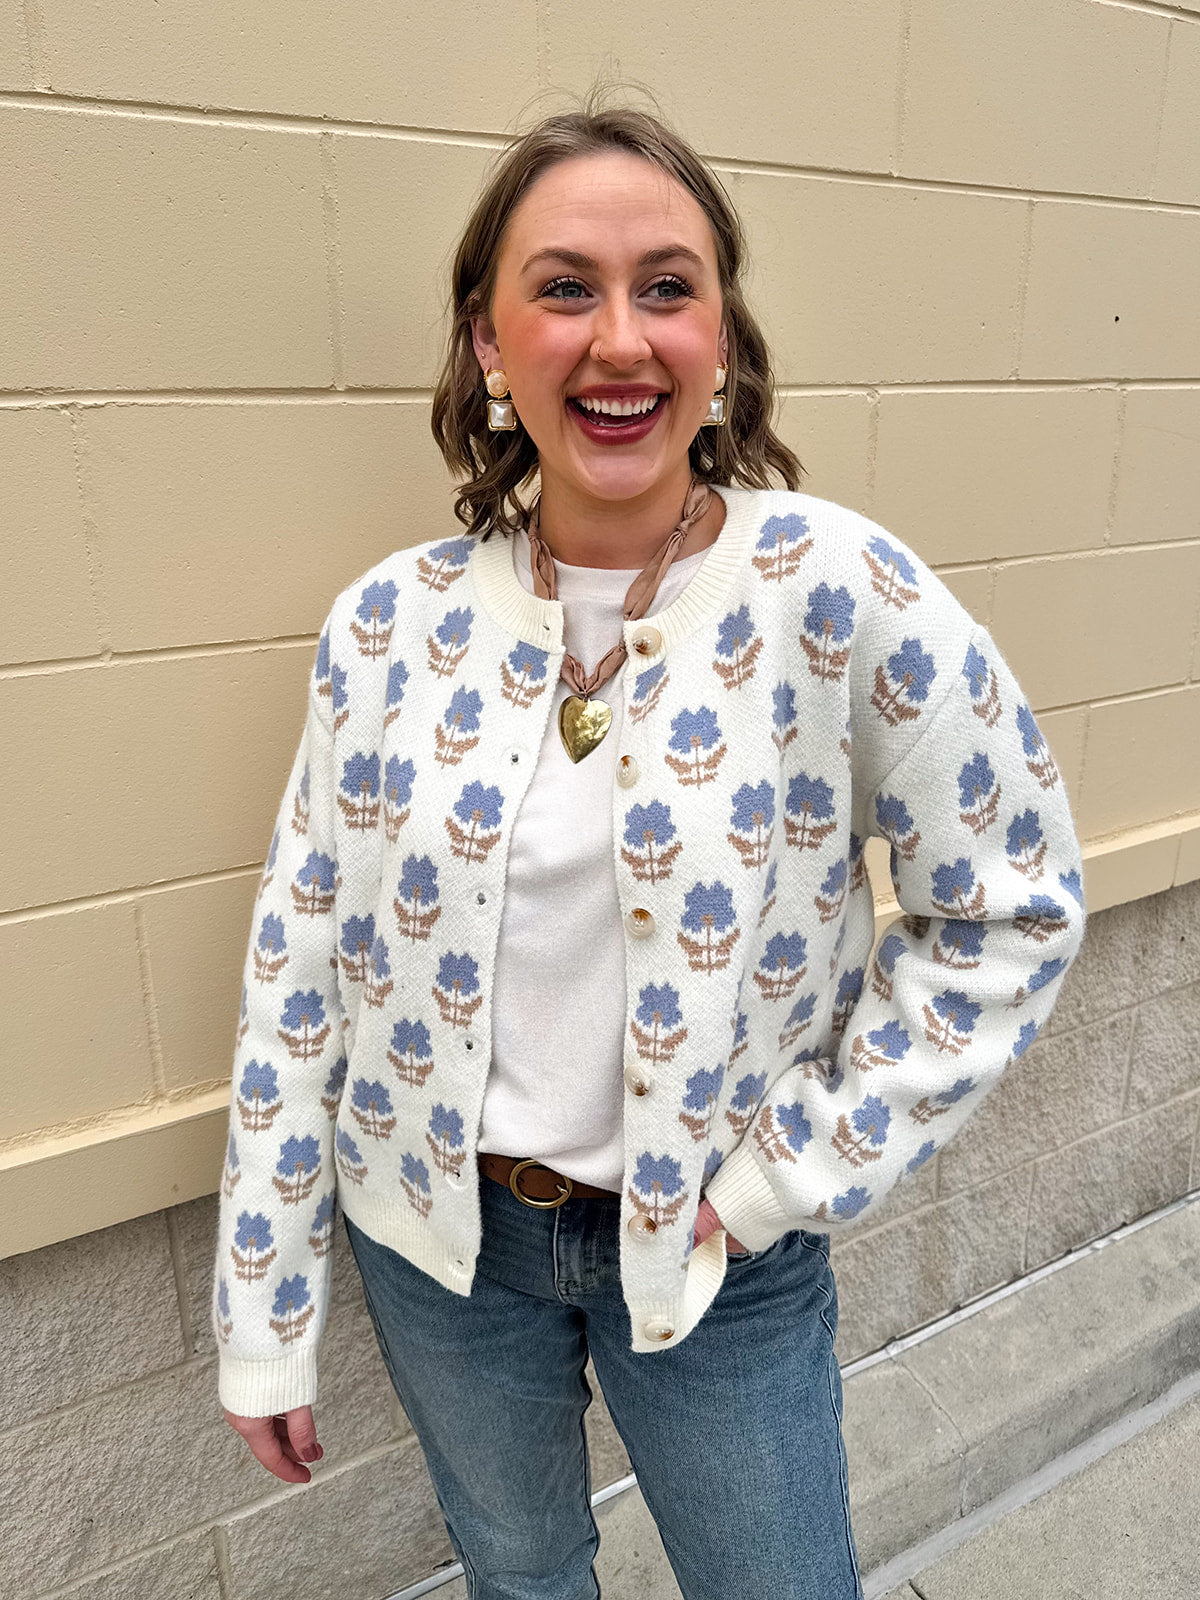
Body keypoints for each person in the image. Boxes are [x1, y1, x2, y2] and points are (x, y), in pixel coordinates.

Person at [213, 89, 1087, 1600]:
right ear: (489, 344)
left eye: (666, 288)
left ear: (721, 337)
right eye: (564, 289)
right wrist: (264, 1307)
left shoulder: (834, 594)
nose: (619, 340)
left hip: (716, 1254)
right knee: (519, 1575)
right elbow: (300, 969)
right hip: (440, 1251)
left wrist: (785, 1177)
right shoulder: (390, 626)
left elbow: (1016, 907)